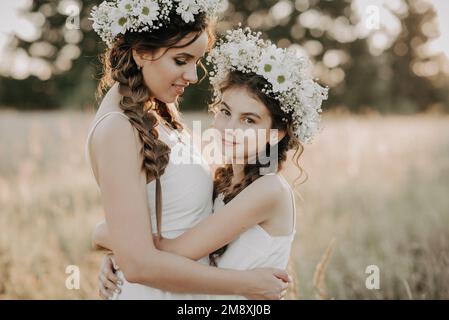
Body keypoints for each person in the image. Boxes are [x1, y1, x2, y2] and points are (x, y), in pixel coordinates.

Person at [94, 27, 328, 299]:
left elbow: (171, 252)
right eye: (226, 112)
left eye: (249, 120)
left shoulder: (269, 190)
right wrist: (121, 252)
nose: (230, 128)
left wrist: (104, 237)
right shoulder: (223, 182)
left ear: (275, 134)